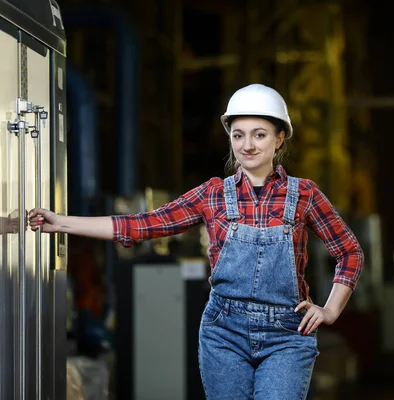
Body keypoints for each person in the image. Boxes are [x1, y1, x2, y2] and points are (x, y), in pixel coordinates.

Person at [28, 83, 364, 400]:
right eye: (238, 135)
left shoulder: (304, 194)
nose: (247, 145)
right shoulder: (213, 194)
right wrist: (63, 223)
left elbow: (349, 251)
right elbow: (144, 225)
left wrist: (331, 309)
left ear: (279, 139)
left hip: (287, 336)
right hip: (224, 333)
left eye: (259, 135)